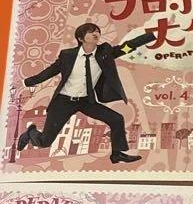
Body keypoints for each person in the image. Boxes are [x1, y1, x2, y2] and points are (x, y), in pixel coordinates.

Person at [19, 22, 154, 164]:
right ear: (80, 38)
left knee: (116, 119)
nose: (96, 33)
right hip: (63, 102)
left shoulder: (105, 53)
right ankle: (31, 132)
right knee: (45, 142)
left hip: (86, 101)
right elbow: (50, 72)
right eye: (91, 31)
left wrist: (152, 35)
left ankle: (117, 154)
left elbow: (127, 46)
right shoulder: (67, 55)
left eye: (97, 31)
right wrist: (27, 82)